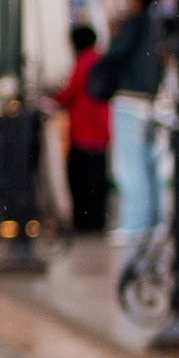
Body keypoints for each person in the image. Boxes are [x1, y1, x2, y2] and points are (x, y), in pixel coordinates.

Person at [87, 0, 168, 241]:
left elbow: (114, 54)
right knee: (148, 164)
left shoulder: (133, 25)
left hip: (130, 100)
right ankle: (155, 220)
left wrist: (115, 30)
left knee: (130, 165)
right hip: (150, 100)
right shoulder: (158, 27)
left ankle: (135, 223)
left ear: (139, 0)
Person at [54, 20, 112, 237]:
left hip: (84, 130)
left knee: (81, 179)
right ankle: (97, 220)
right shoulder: (99, 59)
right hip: (100, 129)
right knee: (97, 178)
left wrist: (54, 98)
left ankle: (85, 221)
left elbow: (70, 91)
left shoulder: (84, 61)